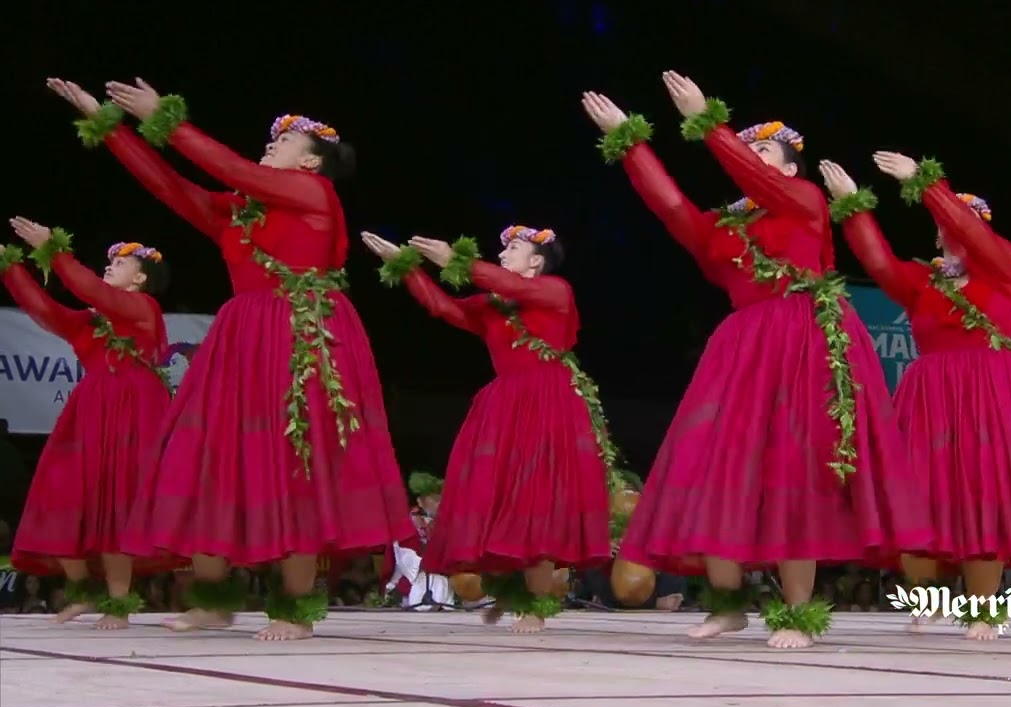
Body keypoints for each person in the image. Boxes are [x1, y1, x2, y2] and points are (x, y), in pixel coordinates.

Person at [46, 77, 415, 641]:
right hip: (242, 337)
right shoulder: (242, 211)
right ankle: (213, 598)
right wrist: (114, 127)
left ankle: (294, 608)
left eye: (285, 138)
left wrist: (163, 118)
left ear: (312, 161)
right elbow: (171, 186)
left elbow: (232, 168)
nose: (271, 141)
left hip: (300, 331)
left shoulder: (313, 195)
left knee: (297, 462)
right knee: (211, 460)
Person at [580, 73, 931, 649]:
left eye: (762, 150)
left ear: (788, 167)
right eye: (750, 149)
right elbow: (672, 207)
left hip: (804, 339)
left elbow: (748, 173)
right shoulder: (723, 231)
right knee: (714, 469)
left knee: (797, 473)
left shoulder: (804, 201)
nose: (751, 159)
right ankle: (728, 605)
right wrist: (631, 143)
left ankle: (797, 614)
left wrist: (709, 125)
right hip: (742, 349)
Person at [818, 154, 1011, 640]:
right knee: (917, 495)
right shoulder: (923, 282)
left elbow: (973, 231)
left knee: (987, 493)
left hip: (992, 392)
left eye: (953, 225)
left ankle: (983, 609)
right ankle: (928, 599)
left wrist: (926, 185)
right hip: (930, 396)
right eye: (940, 230)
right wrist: (852, 207)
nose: (945, 235)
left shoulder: (1003, 269)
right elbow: (879, 261)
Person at [361, 226, 616, 633]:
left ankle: (534, 604)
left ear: (536, 261)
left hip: (547, 402)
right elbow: (445, 308)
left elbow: (500, 280)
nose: (503, 255)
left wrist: (453, 259)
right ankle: (512, 593)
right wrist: (406, 268)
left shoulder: (555, 291)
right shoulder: (494, 304)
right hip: (504, 406)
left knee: (537, 501)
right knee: (499, 501)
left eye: (512, 249)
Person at [1, 217, 173, 629]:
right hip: (92, 408)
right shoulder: (95, 318)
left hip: (132, 408)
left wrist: (53, 252)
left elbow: (89, 288)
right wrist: (10, 265)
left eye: (122, 261)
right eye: (110, 260)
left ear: (140, 278)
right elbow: (46, 311)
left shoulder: (142, 308)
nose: (110, 264)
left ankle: (119, 602)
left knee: (115, 503)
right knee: (62, 495)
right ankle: (81, 591)